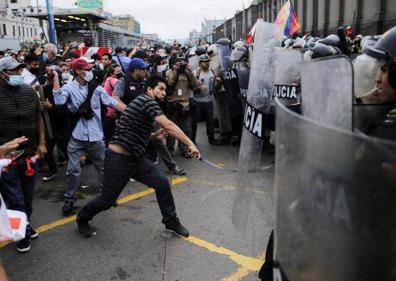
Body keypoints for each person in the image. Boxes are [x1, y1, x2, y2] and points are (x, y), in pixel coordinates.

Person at [76, 74, 200, 238]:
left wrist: (153, 137)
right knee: (106, 201)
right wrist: (191, 144)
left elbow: (132, 131)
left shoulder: (143, 104)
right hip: (118, 160)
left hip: (136, 158)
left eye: (165, 90)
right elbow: (169, 126)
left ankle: (171, 222)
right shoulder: (146, 101)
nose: (163, 93)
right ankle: (82, 218)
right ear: (150, 89)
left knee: (162, 183)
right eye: (160, 89)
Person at [52, 58, 126, 215]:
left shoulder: (96, 88)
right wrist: (56, 79)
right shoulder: (69, 88)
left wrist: (130, 111)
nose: (91, 72)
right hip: (76, 137)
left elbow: (111, 102)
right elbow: (58, 101)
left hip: (95, 137)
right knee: (73, 170)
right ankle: (69, 199)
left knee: (103, 168)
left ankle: (107, 196)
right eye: (87, 69)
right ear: (79, 71)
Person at [0, 57, 47, 253]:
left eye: (20, 70)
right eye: (13, 72)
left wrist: (43, 143)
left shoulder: (29, 91)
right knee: (15, 198)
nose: (18, 74)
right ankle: (22, 234)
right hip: (6, 159)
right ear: (2, 74)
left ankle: (24, 223)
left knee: (27, 197)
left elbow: (39, 117)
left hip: (29, 155)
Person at [40, 66, 70, 182]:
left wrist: (51, 107)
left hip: (63, 125)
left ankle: (73, 169)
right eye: (49, 77)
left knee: (67, 149)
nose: (51, 80)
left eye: (53, 77)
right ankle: (52, 170)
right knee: (47, 150)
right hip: (49, 125)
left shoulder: (66, 89)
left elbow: (66, 109)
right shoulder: (43, 89)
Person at [166, 55, 199, 157]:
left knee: (186, 129)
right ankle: (169, 151)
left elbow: (195, 85)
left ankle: (184, 150)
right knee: (171, 130)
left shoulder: (187, 73)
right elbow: (169, 83)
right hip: (173, 103)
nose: (181, 65)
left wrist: (190, 72)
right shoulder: (169, 72)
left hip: (185, 104)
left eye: (183, 62)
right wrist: (176, 70)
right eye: (179, 63)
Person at [191, 54, 219, 145]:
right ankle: (192, 141)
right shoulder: (195, 73)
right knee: (194, 123)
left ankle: (211, 140)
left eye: (208, 62)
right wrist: (199, 88)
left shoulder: (212, 72)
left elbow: (215, 86)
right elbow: (191, 88)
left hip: (208, 101)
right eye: (205, 62)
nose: (207, 63)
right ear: (200, 63)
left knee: (210, 122)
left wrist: (218, 81)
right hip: (197, 102)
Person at [103, 63, 123, 145]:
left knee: (108, 137)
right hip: (112, 114)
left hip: (107, 113)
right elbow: (122, 85)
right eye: (118, 71)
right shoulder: (112, 80)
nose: (120, 73)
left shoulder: (107, 80)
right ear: (112, 73)